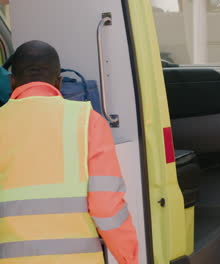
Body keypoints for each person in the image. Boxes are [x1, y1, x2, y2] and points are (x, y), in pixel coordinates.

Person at [0, 40, 138, 263]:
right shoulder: (88, 121)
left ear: (12, 81)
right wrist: (128, 258)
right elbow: (106, 207)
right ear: (59, 82)